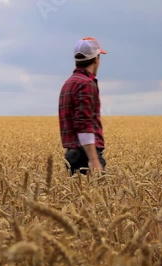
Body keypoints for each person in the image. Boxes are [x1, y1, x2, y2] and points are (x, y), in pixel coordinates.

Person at [58, 37, 107, 176]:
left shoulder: (68, 83)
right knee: (97, 195)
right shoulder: (86, 84)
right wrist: (94, 160)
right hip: (85, 155)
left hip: (72, 154)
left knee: (76, 196)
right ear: (96, 58)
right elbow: (83, 124)